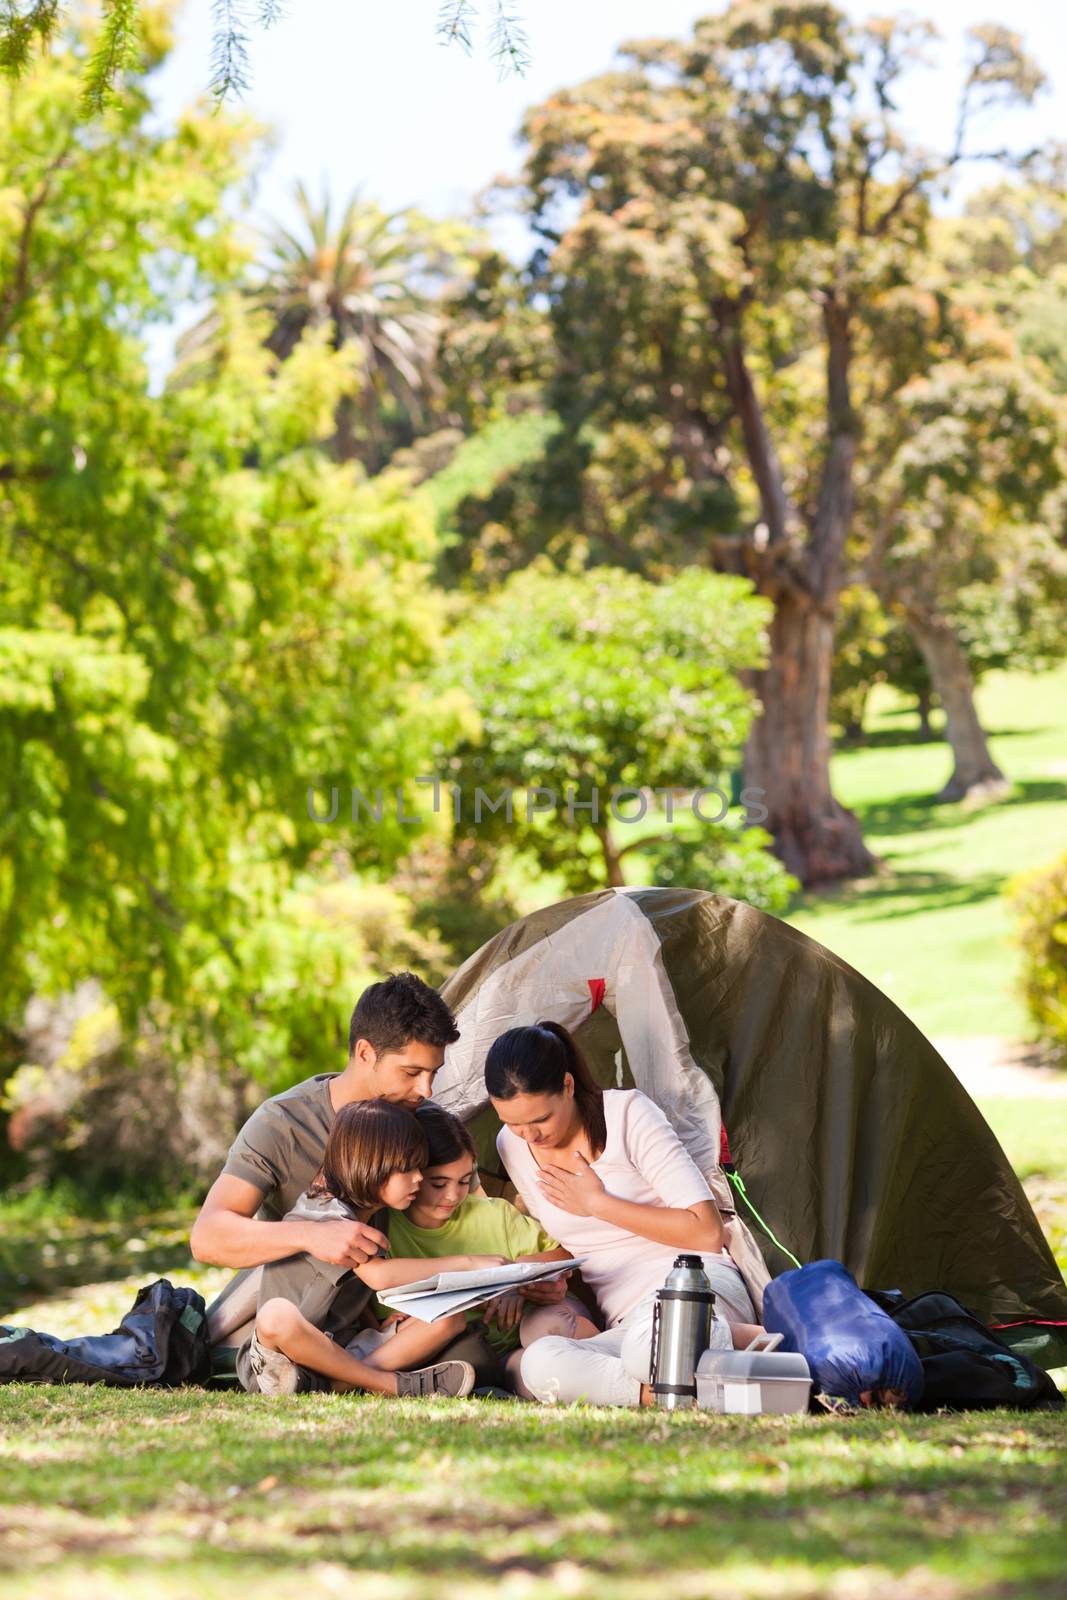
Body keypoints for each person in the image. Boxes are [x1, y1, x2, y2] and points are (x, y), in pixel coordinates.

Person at [485, 1020, 762, 1407]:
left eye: (540, 1119)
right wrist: (532, 1274)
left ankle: (714, 1343)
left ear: (567, 1086)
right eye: (512, 1122)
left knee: (648, 1347)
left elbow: (706, 1231)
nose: (529, 1136)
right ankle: (658, 1391)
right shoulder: (511, 1146)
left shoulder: (627, 1114)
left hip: (695, 1285)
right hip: (627, 1322)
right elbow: (576, 1246)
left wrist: (598, 1203)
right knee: (540, 1361)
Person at [192, 972, 461, 1354]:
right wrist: (312, 1235)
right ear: (365, 1053)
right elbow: (208, 1239)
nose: (426, 1090)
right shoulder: (284, 1124)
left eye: (433, 1073)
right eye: (411, 1072)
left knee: (473, 1353)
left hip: (374, 1321)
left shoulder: (420, 1118)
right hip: (287, 1319)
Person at [239, 1099, 508, 1397]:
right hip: (280, 1358)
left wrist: (377, 1323)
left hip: (341, 1349)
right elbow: (378, 1276)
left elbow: (348, 1290)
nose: (419, 1177)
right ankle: (390, 1384)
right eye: (408, 1168)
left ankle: (336, 1386)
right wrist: (469, 1262)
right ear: (372, 1165)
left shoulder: (376, 1213)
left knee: (451, 1317)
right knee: (276, 1315)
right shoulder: (325, 1212)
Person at [378, 1102, 598, 1394]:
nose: (453, 1195)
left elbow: (565, 1253)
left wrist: (516, 1277)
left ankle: (619, 1363)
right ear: (413, 1175)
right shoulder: (387, 1229)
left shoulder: (493, 1214)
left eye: (464, 1181)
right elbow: (391, 1318)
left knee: (545, 1328)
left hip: (541, 1323)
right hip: (489, 1354)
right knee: (532, 1380)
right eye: (439, 1183)